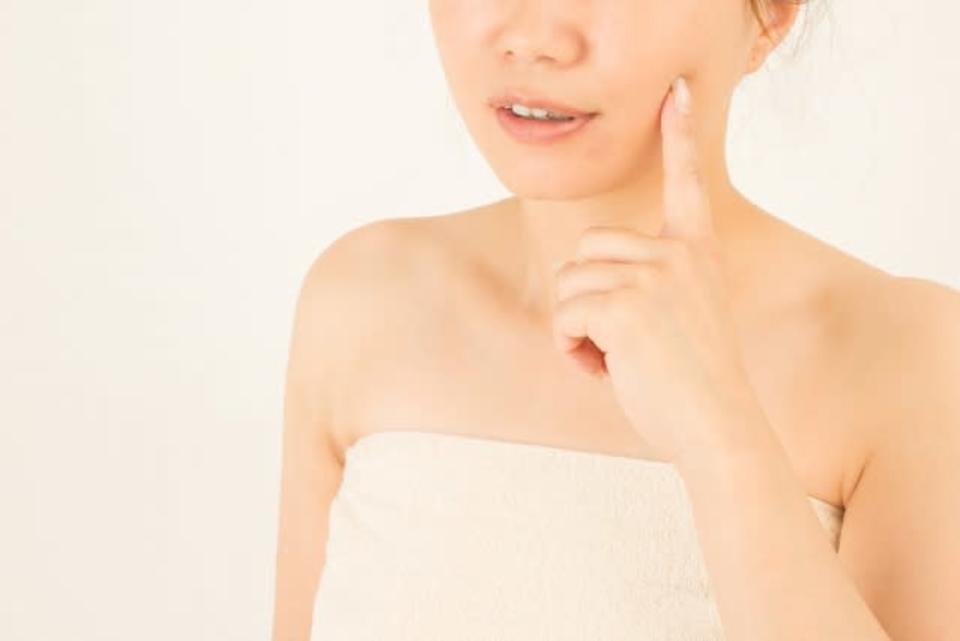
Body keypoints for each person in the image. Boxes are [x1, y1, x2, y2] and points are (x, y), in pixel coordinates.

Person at [272, 1, 960, 639]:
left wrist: (720, 432)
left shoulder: (905, 358)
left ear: (770, 14)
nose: (535, 38)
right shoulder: (362, 303)